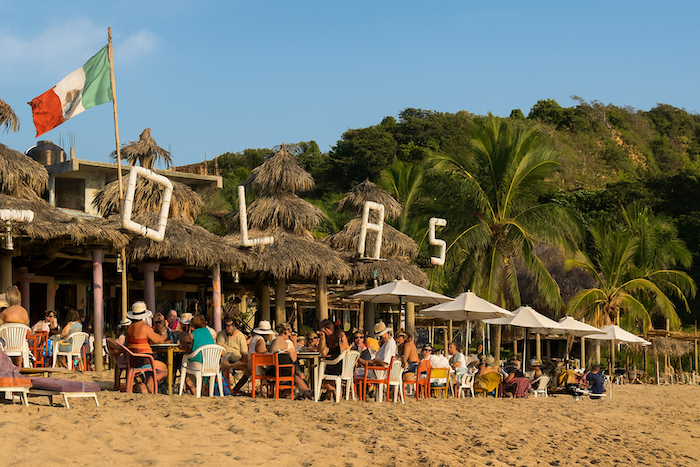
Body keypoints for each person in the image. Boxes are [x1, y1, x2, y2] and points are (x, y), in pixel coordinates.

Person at [125, 301, 168, 393]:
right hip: (145, 359)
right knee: (164, 369)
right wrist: (165, 333)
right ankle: (151, 383)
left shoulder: (129, 328)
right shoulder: (145, 328)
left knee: (151, 370)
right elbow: (158, 339)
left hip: (133, 359)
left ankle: (147, 383)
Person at [269, 322, 312, 399]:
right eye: (290, 332)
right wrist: (294, 342)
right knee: (296, 372)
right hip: (280, 370)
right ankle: (307, 391)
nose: (290, 335)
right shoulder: (286, 344)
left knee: (295, 371)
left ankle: (305, 391)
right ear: (286, 331)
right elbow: (294, 358)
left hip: (271, 369)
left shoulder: (273, 341)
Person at [232, 320, 274, 394]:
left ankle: (235, 389)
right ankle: (272, 391)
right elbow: (263, 353)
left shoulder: (254, 338)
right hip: (257, 367)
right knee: (275, 369)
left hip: (251, 364)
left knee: (247, 374)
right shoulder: (260, 340)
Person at [181, 313, 217, 395]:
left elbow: (184, 340)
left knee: (185, 361)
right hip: (211, 362)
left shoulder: (194, 333)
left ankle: (192, 387)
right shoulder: (207, 331)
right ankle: (201, 388)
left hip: (199, 362)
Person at [317, 319, 350, 399]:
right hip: (335, 363)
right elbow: (322, 352)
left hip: (337, 364)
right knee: (316, 372)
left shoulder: (339, 337)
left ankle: (333, 390)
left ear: (326, 329)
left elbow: (345, 350)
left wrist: (341, 340)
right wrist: (322, 339)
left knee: (316, 376)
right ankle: (333, 390)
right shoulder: (327, 338)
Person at [216, 317, 249, 388]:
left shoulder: (240, 336)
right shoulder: (222, 334)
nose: (227, 328)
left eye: (229, 326)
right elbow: (219, 346)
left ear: (234, 326)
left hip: (236, 358)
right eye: (226, 325)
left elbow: (244, 352)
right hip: (223, 357)